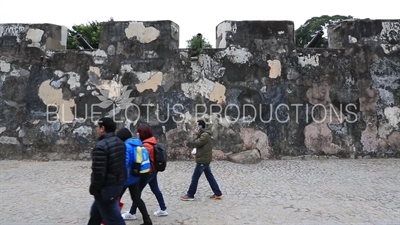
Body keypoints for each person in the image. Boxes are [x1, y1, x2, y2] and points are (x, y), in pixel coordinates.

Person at [88, 117, 127, 225]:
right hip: (116, 186)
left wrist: (93, 189)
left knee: (115, 220)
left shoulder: (101, 147)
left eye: (98, 127)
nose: (97, 129)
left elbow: (99, 173)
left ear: (102, 128)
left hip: (106, 190)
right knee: (95, 215)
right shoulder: (120, 142)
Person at [129, 126, 168, 217]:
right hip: (153, 170)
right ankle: (163, 208)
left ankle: (132, 213)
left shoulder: (146, 145)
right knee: (155, 189)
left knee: (137, 192)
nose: (137, 134)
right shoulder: (152, 142)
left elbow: (142, 160)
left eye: (139, 132)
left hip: (148, 171)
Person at [116, 128, 153, 225]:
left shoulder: (126, 146)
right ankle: (147, 220)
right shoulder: (138, 144)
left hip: (126, 178)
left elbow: (125, 163)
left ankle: (113, 220)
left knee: (116, 198)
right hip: (135, 177)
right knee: (137, 198)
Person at [181, 120, 223, 201]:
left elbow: (197, 143)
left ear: (201, 126)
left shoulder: (205, 135)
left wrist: (195, 134)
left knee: (195, 177)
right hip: (205, 159)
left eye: (197, 125)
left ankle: (190, 194)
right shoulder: (203, 134)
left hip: (203, 160)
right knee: (210, 177)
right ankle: (218, 193)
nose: (196, 127)